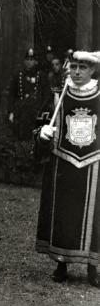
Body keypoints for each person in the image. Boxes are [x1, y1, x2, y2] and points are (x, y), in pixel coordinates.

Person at [36, 50, 99, 288]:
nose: (77, 72)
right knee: (63, 213)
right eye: (73, 67)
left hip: (94, 163)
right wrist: (42, 134)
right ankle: (61, 263)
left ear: (93, 70)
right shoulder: (57, 95)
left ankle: (93, 267)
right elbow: (41, 123)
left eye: (83, 68)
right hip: (63, 162)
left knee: (95, 217)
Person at [8, 48, 50, 140]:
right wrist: (11, 111)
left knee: (35, 137)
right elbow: (11, 94)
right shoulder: (18, 75)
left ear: (36, 62)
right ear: (24, 61)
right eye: (27, 59)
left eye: (31, 60)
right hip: (20, 111)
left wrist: (42, 109)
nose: (29, 62)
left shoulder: (41, 76)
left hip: (36, 110)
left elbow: (46, 95)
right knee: (20, 137)